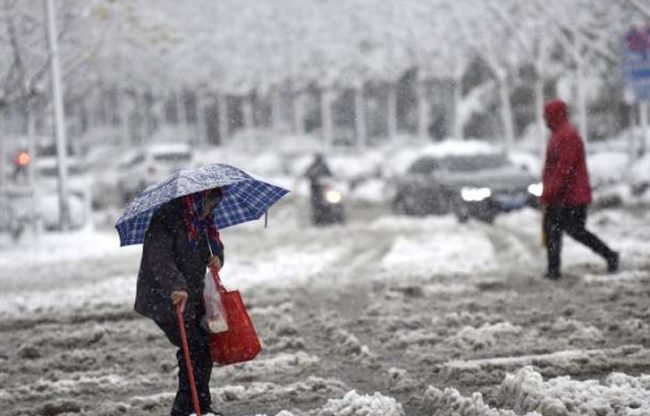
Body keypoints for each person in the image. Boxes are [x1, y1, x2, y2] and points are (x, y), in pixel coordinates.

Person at [134, 187, 225, 416]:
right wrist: (176, 286)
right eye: (208, 206)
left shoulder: (202, 222)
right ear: (196, 201)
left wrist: (217, 256)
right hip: (164, 298)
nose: (208, 213)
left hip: (192, 296)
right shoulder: (165, 218)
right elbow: (159, 258)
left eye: (213, 208)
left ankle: (198, 406)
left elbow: (210, 246)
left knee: (202, 349)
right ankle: (185, 409)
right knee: (194, 348)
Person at [540, 100, 619, 279]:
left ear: (554, 115)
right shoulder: (559, 135)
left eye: (546, 115)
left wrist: (550, 191)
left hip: (571, 197)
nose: (544, 119)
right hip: (563, 196)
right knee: (555, 230)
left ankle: (609, 255)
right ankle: (554, 268)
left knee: (573, 230)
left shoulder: (567, 136)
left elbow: (563, 169)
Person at [304, 153, 333, 224]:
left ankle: (326, 220)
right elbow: (307, 174)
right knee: (316, 207)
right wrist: (315, 179)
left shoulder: (323, 167)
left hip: (325, 189)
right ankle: (317, 221)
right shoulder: (313, 167)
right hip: (315, 190)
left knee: (328, 205)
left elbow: (331, 175)